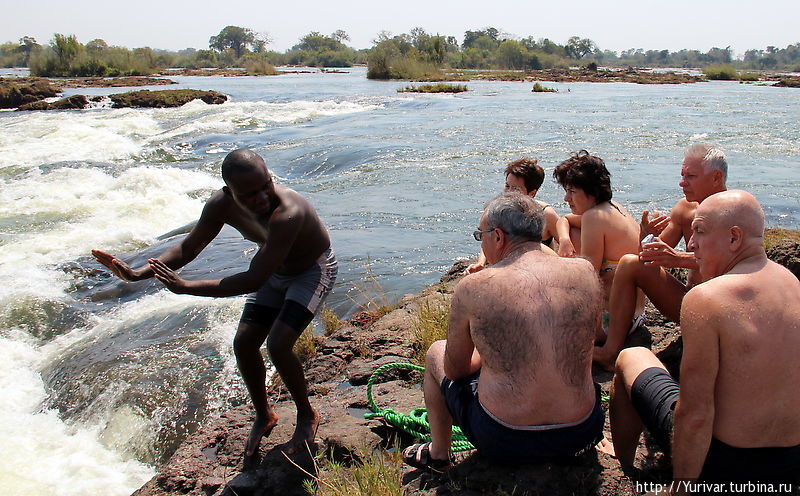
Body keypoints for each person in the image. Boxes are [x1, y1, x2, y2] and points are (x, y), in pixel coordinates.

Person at [91, 148, 336, 457]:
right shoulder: (220, 205)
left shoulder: (288, 213)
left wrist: (185, 287)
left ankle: (306, 413)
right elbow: (189, 247)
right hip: (271, 268)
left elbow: (252, 280)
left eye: (266, 186)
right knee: (244, 343)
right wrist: (139, 273)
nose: (261, 197)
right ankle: (264, 414)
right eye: (249, 194)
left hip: (310, 270)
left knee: (278, 344)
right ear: (228, 192)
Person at [605, 190, 800, 487]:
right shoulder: (792, 284)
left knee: (630, 356)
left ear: (734, 237)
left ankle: (625, 467)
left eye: (699, 231)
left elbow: (695, 415)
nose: (691, 243)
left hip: (726, 467)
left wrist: (682, 488)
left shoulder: (706, 298)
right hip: (789, 466)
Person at [403, 192, 605, 470]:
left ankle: (438, 453)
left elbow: (455, 371)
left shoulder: (474, 287)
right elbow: (592, 338)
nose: (482, 242)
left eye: (481, 235)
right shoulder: (584, 271)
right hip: (582, 432)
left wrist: (490, 354)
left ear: (498, 236)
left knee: (436, 351)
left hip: (506, 439)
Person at [593, 144, 728, 370]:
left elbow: (738, 263)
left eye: (691, 176)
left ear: (716, 178)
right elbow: (647, 257)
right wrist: (644, 235)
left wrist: (679, 259)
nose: (682, 183)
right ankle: (610, 351)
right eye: (682, 175)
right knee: (630, 263)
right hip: (687, 303)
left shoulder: (736, 211)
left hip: (723, 308)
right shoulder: (685, 210)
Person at [553, 150, 644, 342]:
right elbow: (564, 220)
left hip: (611, 325)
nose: (566, 199)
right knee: (572, 233)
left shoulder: (593, 217)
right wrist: (564, 240)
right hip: (635, 317)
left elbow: (588, 279)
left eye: (572, 192)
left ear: (591, 192)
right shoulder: (613, 207)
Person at [466, 158, 559, 273]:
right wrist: (481, 262)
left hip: (539, 270)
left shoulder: (545, 214)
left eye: (515, 189)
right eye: (507, 186)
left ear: (532, 193)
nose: (508, 192)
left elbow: (567, 245)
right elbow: (488, 235)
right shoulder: (499, 210)